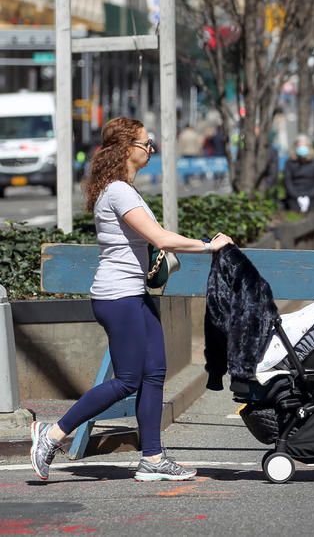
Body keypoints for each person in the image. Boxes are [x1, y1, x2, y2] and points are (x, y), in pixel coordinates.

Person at [29, 117, 234, 483]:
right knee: (127, 380)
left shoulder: (121, 188)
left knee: (153, 373)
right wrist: (208, 245)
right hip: (117, 297)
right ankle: (53, 435)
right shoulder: (118, 192)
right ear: (128, 149)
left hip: (133, 294)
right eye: (145, 142)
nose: (150, 148)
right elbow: (161, 237)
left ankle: (152, 458)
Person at [284, 134, 314, 213]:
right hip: (294, 196)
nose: (302, 148)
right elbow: (287, 181)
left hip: (313, 196)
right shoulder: (290, 163)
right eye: (300, 146)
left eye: (304, 145)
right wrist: (296, 195)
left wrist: (309, 195)